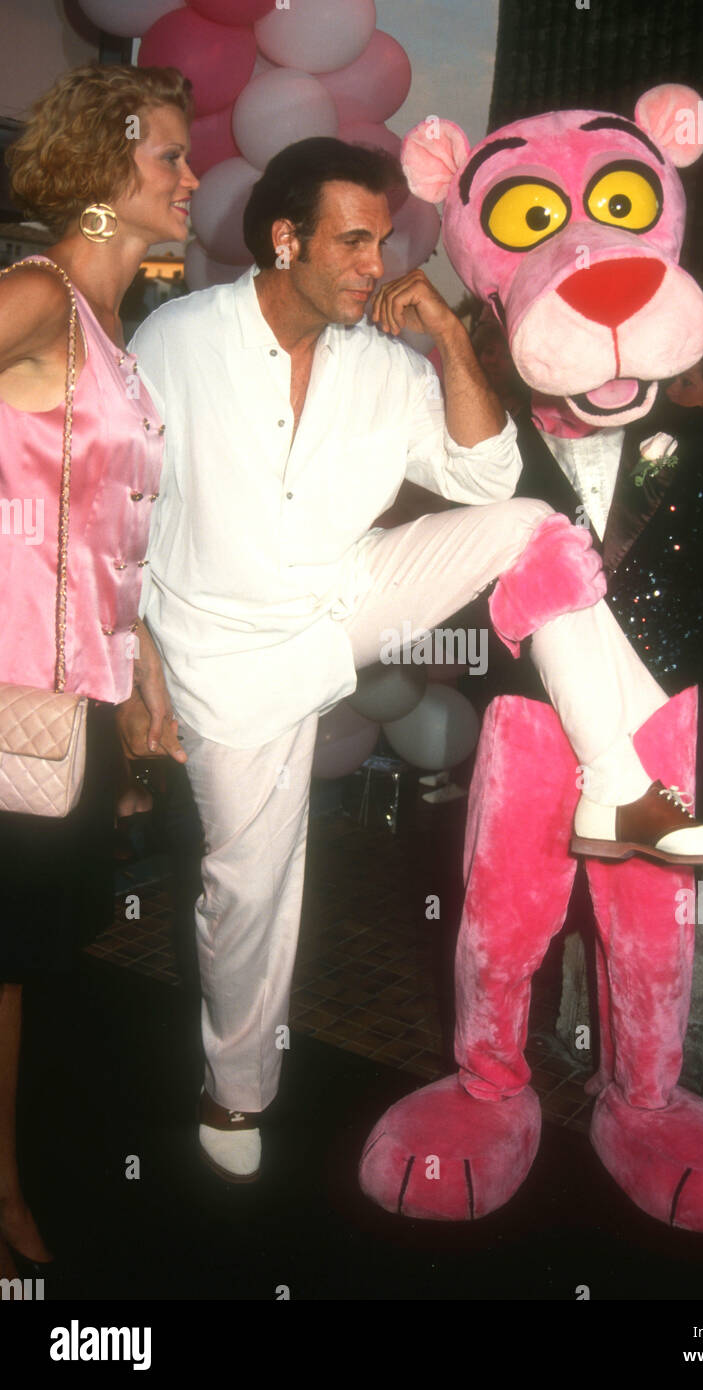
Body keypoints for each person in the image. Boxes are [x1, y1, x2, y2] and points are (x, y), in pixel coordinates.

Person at [129, 137, 703, 1184]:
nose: (376, 263)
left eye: (381, 240)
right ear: (285, 239)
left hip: (344, 602)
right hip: (224, 659)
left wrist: (447, 342)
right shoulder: (177, 340)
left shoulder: (385, 361)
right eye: (354, 240)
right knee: (246, 887)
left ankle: (616, 785)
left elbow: (482, 474)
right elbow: (123, 502)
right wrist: (137, 657)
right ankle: (233, 1094)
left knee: (524, 525)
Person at [0, 63, 192, 1283]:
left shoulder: (107, 324)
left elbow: (104, 529)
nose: (189, 175)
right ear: (104, 173)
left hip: (72, 700)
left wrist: (149, 670)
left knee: (19, 952)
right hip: (10, 697)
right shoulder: (36, 292)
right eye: (167, 156)